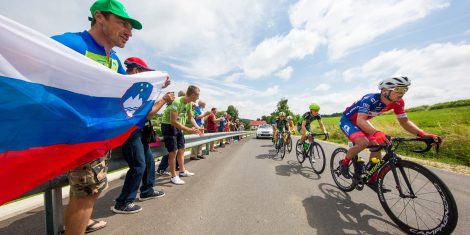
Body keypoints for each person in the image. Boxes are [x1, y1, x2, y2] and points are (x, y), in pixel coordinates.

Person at [51, 0, 141, 233]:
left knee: (90, 191)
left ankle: (79, 224)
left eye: (131, 28)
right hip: (79, 137)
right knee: (87, 192)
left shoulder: (113, 59)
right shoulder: (72, 44)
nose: (129, 33)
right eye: (123, 24)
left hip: (99, 138)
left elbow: (124, 90)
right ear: (99, 18)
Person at [338, 77, 439, 178]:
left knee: (377, 146)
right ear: (384, 91)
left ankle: (371, 177)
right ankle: (344, 162)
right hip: (348, 120)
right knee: (363, 142)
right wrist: (377, 133)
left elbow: (405, 122)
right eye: (398, 89)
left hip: (363, 121)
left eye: (405, 89)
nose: (402, 93)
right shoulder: (370, 99)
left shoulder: (399, 102)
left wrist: (422, 134)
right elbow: (360, 120)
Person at [112, 57, 173, 214]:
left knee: (149, 162)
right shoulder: (131, 87)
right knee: (139, 165)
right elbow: (147, 115)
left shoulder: (136, 87)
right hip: (130, 133)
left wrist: (159, 89)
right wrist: (164, 99)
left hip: (137, 132)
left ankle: (147, 190)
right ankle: (123, 202)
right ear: (137, 71)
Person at [161, 85, 202, 185]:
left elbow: (190, 118)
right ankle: (173, 176)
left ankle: (182, 171)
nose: (198, 98)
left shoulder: (188, 103)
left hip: (179, 126)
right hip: (169, 125)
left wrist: (197, 127)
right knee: (173, 152)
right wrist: (188, 129)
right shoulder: (177, 102)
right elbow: (173, 121)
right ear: (192, 94)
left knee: (181, 149)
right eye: (197, 96)